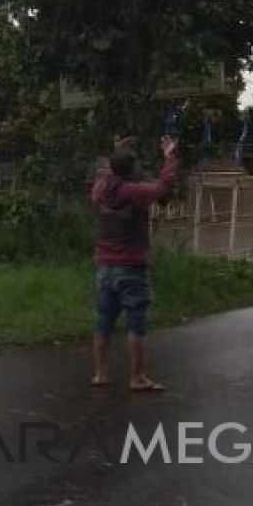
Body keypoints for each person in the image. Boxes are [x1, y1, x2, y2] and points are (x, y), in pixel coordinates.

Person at [89, 135, 178, 391]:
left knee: (103, 323)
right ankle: (137, 377)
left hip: (105, 267)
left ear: (112, 168)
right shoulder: (135, 192)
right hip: (132, 267)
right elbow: (163, 186)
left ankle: (100, 374)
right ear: (132, 169)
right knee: (136, 325)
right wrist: (169, 157)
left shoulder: (100, 191)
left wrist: (115, 153)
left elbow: (106, 178)